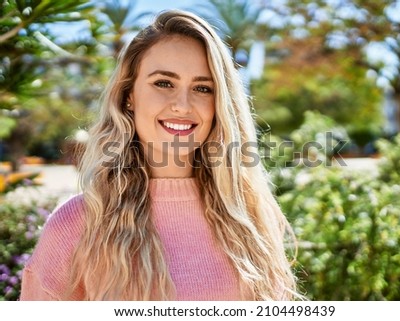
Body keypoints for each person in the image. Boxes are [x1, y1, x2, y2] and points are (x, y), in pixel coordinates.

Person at [20, 9, 300, 301]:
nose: (182, 104)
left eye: (203, 88)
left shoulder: (254, 216)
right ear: (129, 95)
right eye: (164, 83)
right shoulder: (76, 224)